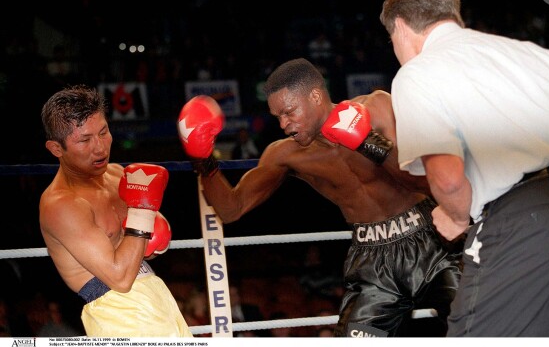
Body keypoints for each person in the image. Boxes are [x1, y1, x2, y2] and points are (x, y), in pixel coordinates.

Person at [177, 58, 463, 337]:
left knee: (481, 322)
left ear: (315, 96)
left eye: (289, 112)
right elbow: (231, 209)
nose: (284, 124)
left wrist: (369, 142)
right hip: (373, 261)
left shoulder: (377, 107)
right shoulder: (286, 154)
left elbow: (427, 183)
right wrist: (203, 161)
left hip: (431, 239)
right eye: (278, 117)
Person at [379, 0, 549, 337]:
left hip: (527, 218)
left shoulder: (418, 72)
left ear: (401, 27)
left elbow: (448, 177)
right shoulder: (531, 53)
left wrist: (457, 216)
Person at [39, 85, 192, 337]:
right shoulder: (61, 204)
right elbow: (119, 279)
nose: (99, 148)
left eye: (103, 132)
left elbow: (144, 248)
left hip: (156, 296)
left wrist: (156, 235)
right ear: (56, 149)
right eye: (85, 140)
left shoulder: (118, 175)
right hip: (116, 312)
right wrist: (144, 211)